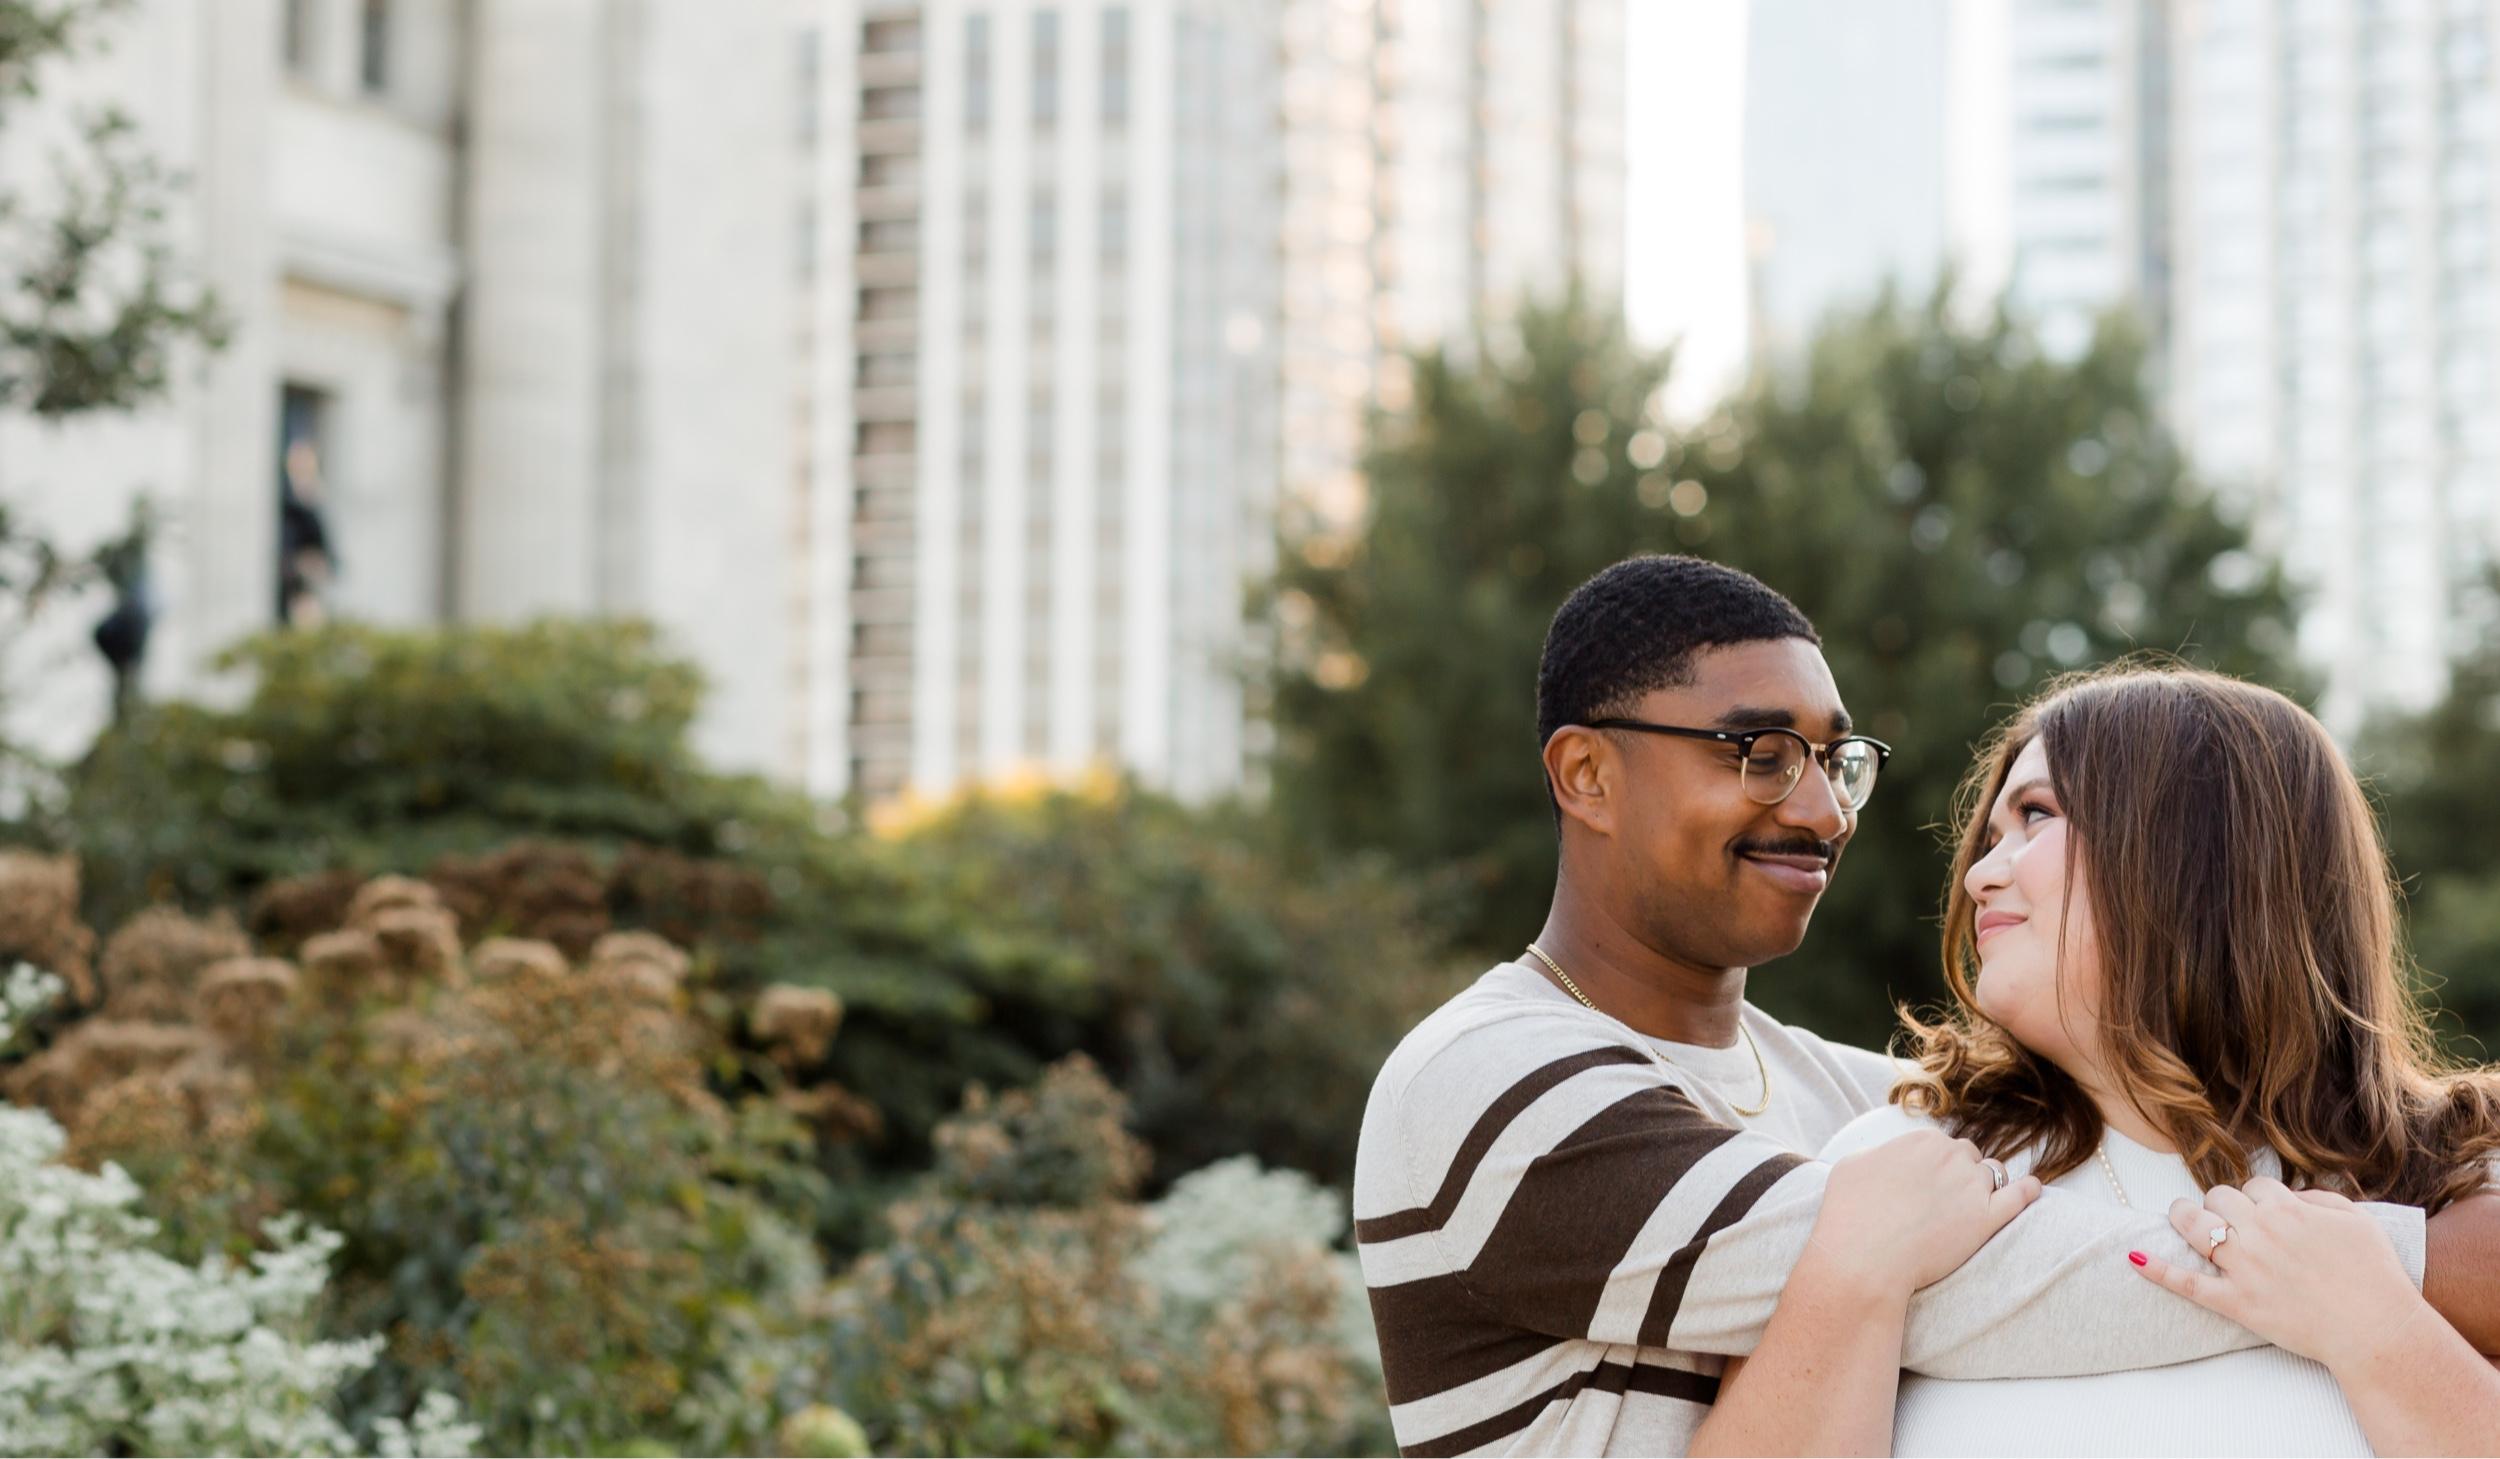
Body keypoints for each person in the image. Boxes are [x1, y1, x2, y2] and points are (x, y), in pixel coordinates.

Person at [1354, 555, 2500, 1457]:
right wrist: (2391, 1270)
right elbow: (1982, 1283)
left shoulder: (1861, 1105)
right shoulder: (1490, 1082)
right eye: (1759, 751)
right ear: (1587, 775)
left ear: (2203, 855)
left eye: (1832, 759)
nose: (1823, 812)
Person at [1823, 663, 2500, 1455]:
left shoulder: (2466, 1179)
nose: (1977, 874)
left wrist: (2379, 1327)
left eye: (2036, 814)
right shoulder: (1899, 1162)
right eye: (1992, 837)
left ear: (2198, 849)